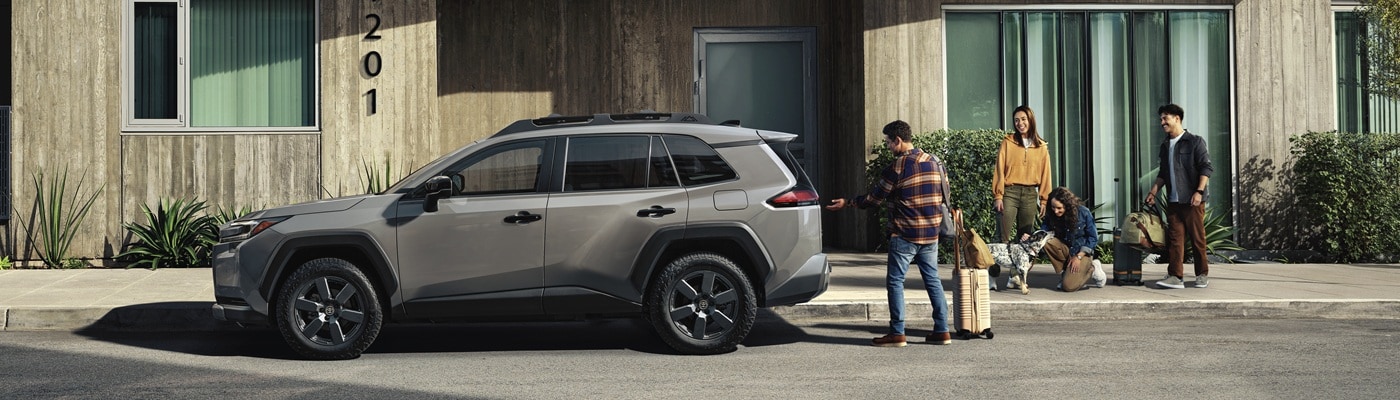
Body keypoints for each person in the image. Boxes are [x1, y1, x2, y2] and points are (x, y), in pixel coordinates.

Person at [825, 120, 951, 347]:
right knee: (933, 280)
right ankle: (942, 331)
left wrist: (848, 202)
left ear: (898, 140)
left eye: (888, 143)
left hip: (905, 233)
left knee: (895, 282)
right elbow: (945, 195)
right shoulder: (935, 162)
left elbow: (874, 199)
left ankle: (897, 333)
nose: (888, 147)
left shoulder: (898, 166)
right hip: (931, 233)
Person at [1145, 103, 1213, 289]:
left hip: (1192, 201)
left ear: (1177, 118)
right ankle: (1176, 276)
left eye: (1165, 118)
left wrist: (1199, 191)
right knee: (1175, 240)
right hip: (1173, 201)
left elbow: (1206, 168)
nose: (1162, 122)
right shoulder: (1165, 145)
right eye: (1161, 119)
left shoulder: (1195, 141)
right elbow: (1163, 173)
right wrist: (1153, 192)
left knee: (1198, 239)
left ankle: (1202, 274)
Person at [993, 105, 1053, 247]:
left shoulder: (1041, 147)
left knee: (1026, 237)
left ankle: (1019, 263)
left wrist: (1044, 201)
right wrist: (998, 196)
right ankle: (995, 261)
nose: (1020, 123)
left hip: (1030, 195)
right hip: (1009, 193)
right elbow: (999, 170)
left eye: (1023, 119)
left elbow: (1046, 175)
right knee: (1002, 235)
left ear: (1031, 119)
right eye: (1016, 120)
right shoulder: (1008, 142)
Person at [1036, 187, 1107, 292]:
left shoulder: (1083, 212)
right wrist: (1030, 237)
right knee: (1047, 241)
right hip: (1065, 250)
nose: (1055, 211)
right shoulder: (1051, 214)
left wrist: (1079, 256)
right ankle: (1066, 272)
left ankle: (1092, 268)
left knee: (1068, 287)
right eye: (1053, 207)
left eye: (1059, 208)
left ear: (1067, 205)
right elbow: (1043, 232)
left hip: (1081, 253)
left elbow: (1093, 238)